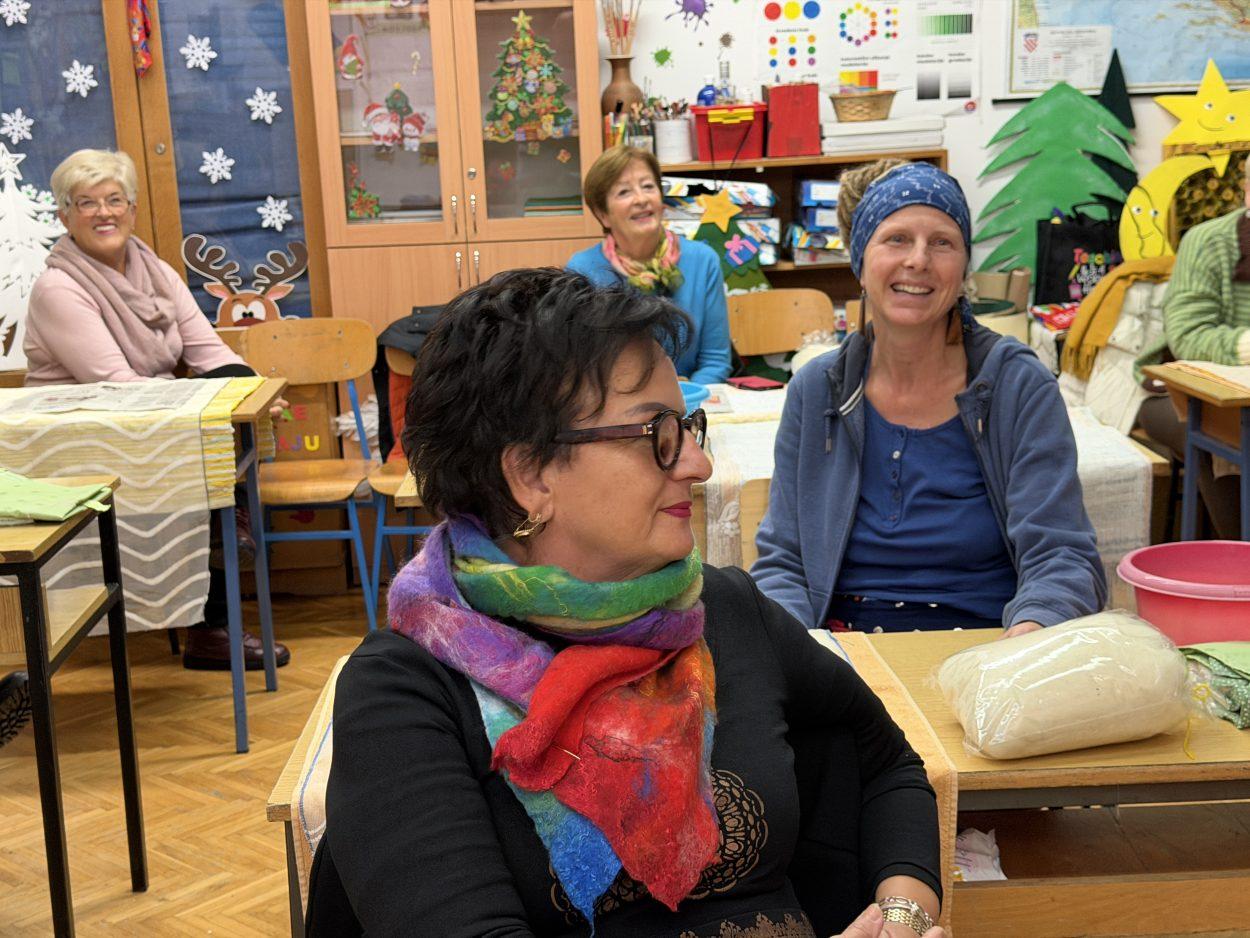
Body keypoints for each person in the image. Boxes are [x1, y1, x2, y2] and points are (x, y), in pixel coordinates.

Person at [307, 269, 944, 938]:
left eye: (688, 428)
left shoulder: (723, 610)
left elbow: (886, 765)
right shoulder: (408, 690)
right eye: (656, 435)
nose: (697, 464)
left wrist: (901, 917)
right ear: (529, 475)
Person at [753, 159, 1105, 636]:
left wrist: (1028, 633)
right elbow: (784, 562)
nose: (918, 260)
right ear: (860, 264)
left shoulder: (1017, 385)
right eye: (896, 239)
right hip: (843, 646)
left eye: (942, 243)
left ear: (963, 270)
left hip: (991, 640)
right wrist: (796, 649)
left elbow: (1062, 556)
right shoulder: (818, 389)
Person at [21, 148, 289, 671]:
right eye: (87, 203)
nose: (104, 213)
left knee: (234, 385)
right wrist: (211, 409)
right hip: (84, 435)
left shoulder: (156, 271)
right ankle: (215, 608)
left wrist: (256, 397)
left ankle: (224, 539)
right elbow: (117, 386)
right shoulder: (58, 288)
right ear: (65, 217)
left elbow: (210, 352)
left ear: (133, 209)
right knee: (209, 471)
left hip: (151, 420)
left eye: (114, 200)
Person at [1134, 166, 1249, 539]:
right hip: (1174, 391)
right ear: (1247, 191)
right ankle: (1237, 554)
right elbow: (1189, 335)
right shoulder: (1209, 242)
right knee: (1218, 442)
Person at [567, 145, 732, 385]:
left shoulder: (703, 260)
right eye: (624, 192)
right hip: (616, 402)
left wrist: (683, 399)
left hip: (691, 398)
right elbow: (582, 367)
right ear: (603, 214)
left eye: (648, 186)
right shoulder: (582, 271)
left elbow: (715, 361)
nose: (641, 199)